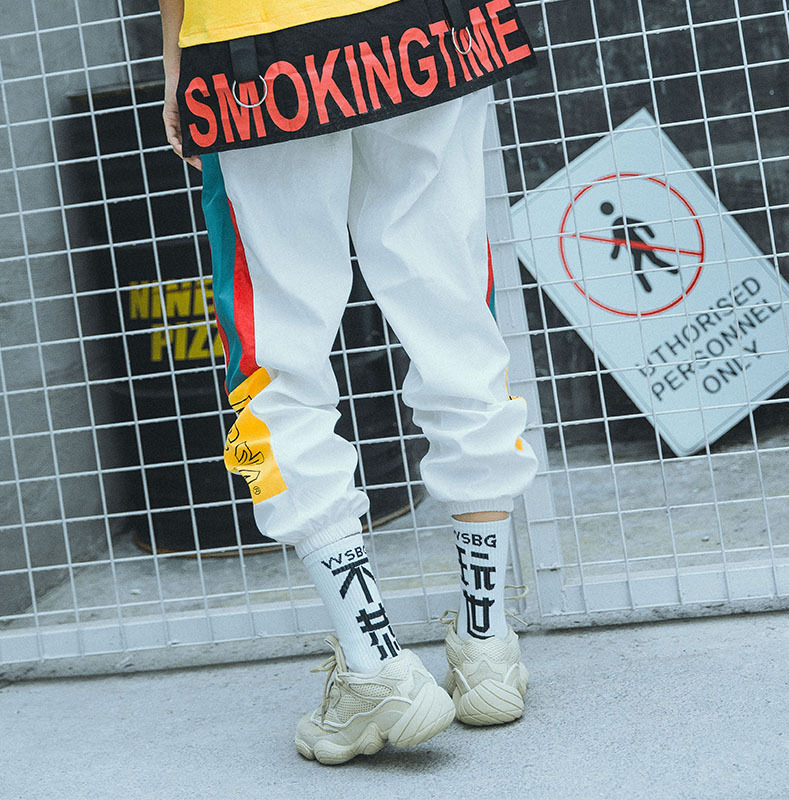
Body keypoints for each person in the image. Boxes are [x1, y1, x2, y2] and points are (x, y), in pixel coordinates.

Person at [158, 0, 538, 764]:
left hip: (256, 46)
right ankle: (488, 644)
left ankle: (374, 665)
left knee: (278, 359)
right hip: (426, 27)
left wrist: (175, 63)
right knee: (454, 316)